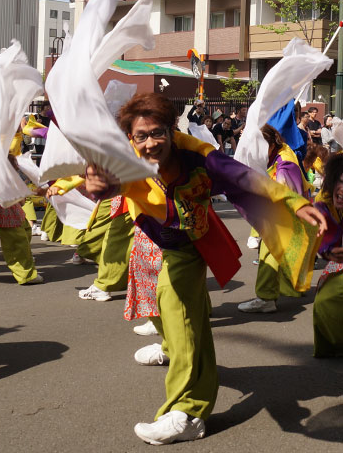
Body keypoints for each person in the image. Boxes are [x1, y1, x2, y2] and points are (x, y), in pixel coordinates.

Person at [85, 93, 325, 446]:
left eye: (158, 133)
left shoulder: (199, 156)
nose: (150, 143)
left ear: (171, 130)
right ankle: (172, 348)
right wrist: (96, 185)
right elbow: (103, 183)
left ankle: (189, 411)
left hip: (188, 245)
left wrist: (293, 200)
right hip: (151, 235)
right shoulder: (125, 155)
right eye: (141, 136)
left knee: (180, 309)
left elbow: (245, 178)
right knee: (159, 307)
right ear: (130, 138)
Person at [238, 124, 313, 313]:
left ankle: (265, 298)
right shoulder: (277, 152)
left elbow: (282, 191)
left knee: (268, 254)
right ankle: (291, 288)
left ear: (271, 143)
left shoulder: (285, 162)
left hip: (284, 213)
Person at [313, 153, 343, 356]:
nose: (342, 189)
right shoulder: (322, 202)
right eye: (339, 181)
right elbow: (318, 237)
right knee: (324, 300)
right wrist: (326, 250)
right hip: (338, 260)